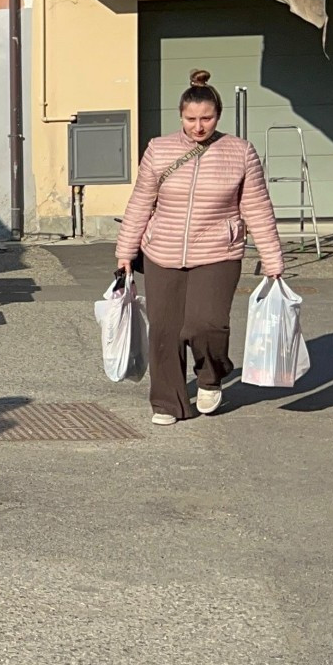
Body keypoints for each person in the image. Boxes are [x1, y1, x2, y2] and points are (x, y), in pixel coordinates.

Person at [116, 70, 284, 427]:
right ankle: (167, 402)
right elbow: (140, 202)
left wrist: (272, 260)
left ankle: (211, 375)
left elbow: (257, 207)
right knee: (164, 330)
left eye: (206, 118)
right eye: (191, 119)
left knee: (204, 324)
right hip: (162, 250)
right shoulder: (159, 150)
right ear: (180, 117)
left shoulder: (240, 152)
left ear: (217, 116)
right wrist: (125, 253)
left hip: (218, 252)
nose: (198, 126)